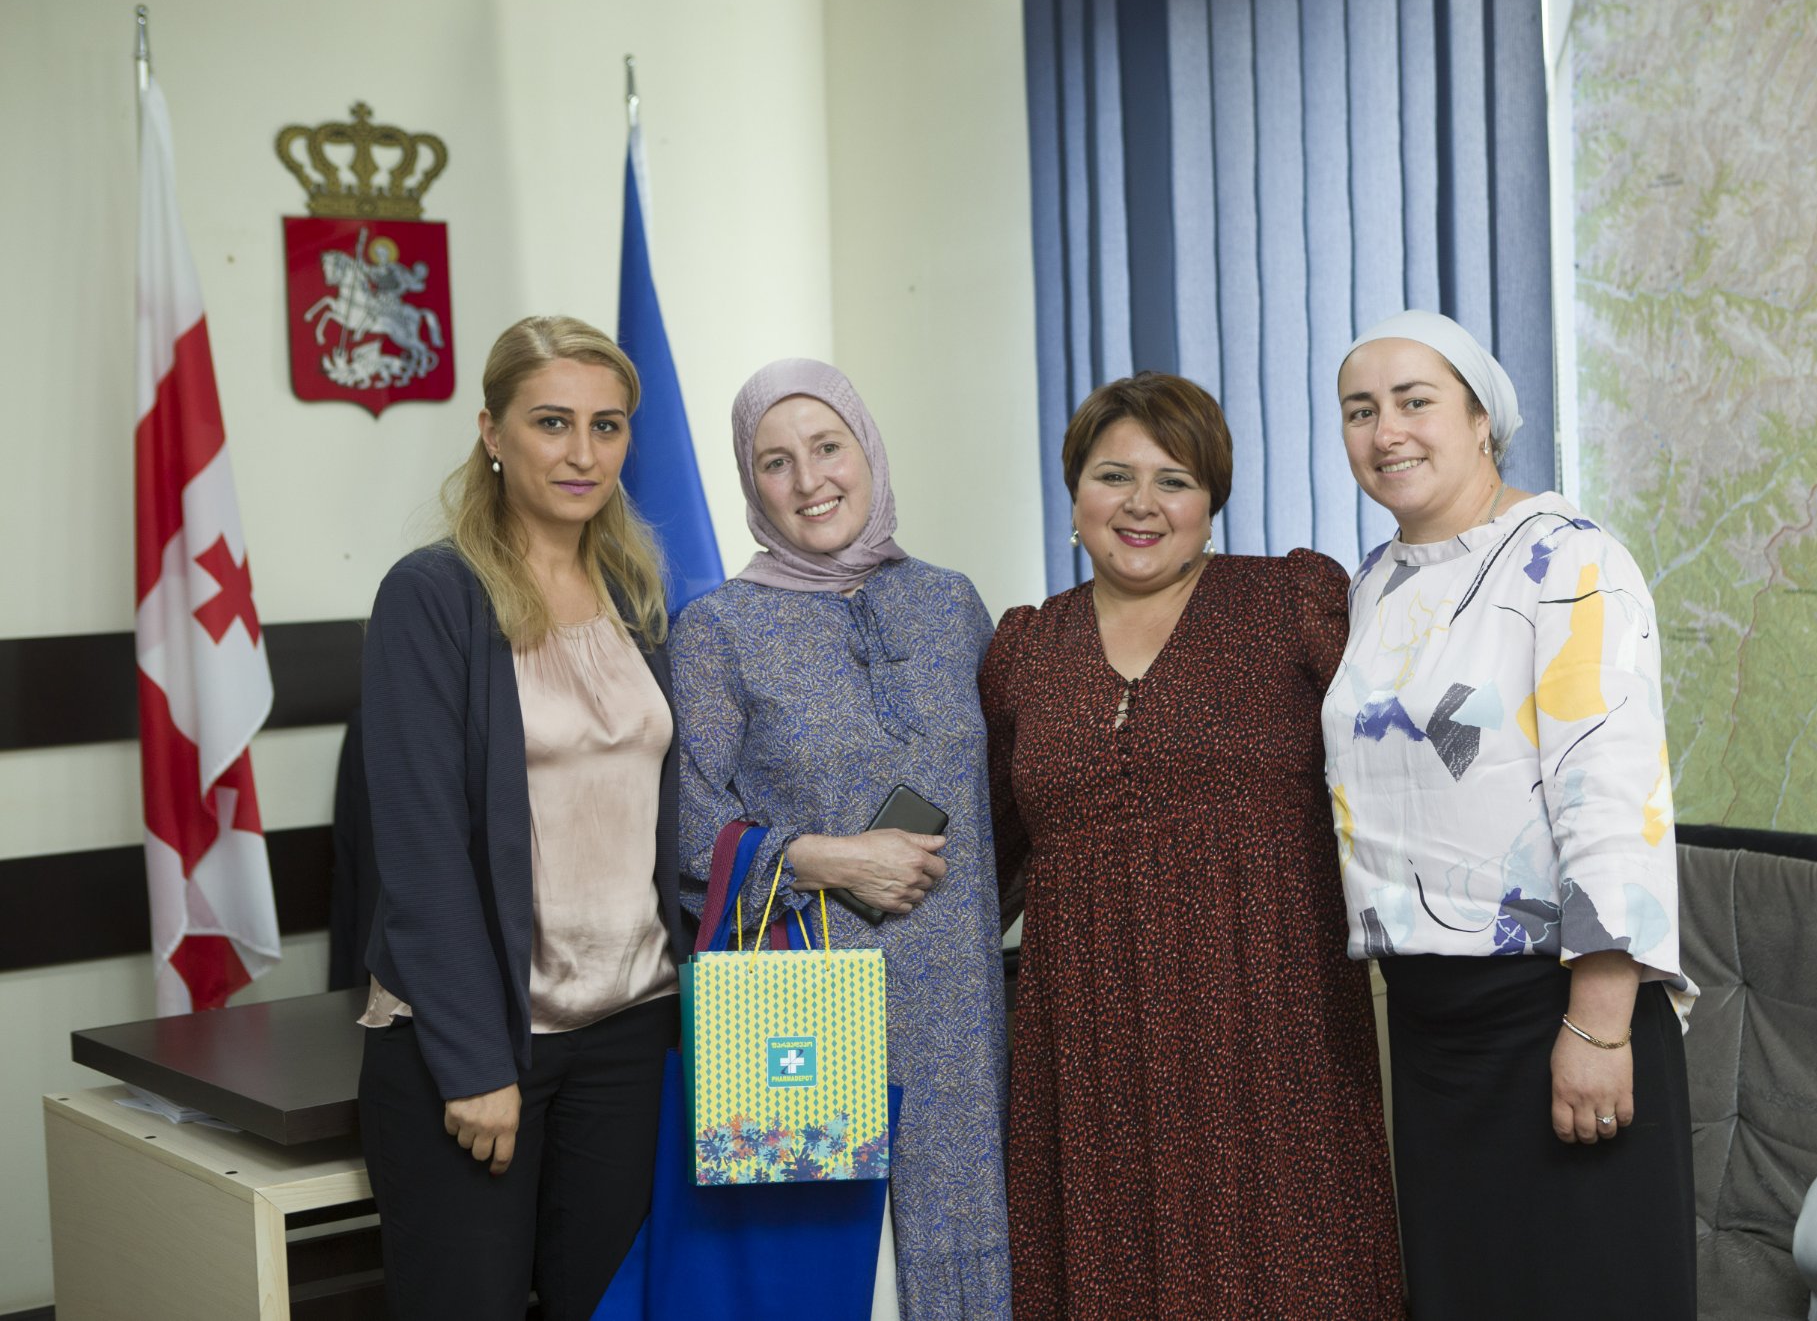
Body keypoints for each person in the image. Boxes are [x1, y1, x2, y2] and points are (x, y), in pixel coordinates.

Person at [981, 373, 1405, 1319]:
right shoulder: (1025, 650)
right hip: (1088, 1052)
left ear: (1211, 500)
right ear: (1075, 491)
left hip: (1273, 1035)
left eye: (1173, 479)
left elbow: (1405, 778)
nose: (1141, 503)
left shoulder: (1290, 604)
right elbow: (987, 859)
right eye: (1113, 475)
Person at [1323, 310, 1697, 1318]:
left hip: (1555, 1007)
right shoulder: (1375, 583)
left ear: (1481, 418)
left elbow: (1610, 797)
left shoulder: (1571, 560)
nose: (1386, 431)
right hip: (1432, 1028)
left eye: (1414, 402)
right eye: (1360, 410)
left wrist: (1599, 1027)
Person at [355, 316, 686, 1320]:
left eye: (606, 425)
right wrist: (473, 1063)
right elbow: (420, 852)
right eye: (552, 422)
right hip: (484, 1037)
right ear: (492, 430)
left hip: (631, 1026)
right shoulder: (432, 595)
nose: (583, 452)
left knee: (610, 1307)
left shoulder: (634, 590)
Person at [669, 358, 1012, 1318]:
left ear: (869, 451)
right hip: (807, 1013)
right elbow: (689, 828)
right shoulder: (717, 628)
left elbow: (1009, 796)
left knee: (966, 1257)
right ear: (750, 483)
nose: (809, 479)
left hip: (960, 1006)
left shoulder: (951, 603)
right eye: (775, 461)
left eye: (828, 447)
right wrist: (823, 856)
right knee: (841, 1283)